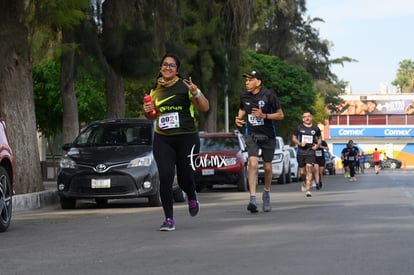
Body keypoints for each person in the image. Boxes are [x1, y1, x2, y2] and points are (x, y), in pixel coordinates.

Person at [143, 53, 209, 231]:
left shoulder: (186, 86)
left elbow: (204, 107)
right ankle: (169, 219)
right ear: (160, 67)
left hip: (187, 138)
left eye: (172, 65)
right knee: (165, 177)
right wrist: (147, 110)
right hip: (163, 139)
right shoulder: (154, 89)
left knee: (184, 178)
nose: (167, 68)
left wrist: (196, 93)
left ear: (177, 70)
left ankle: (192, 194)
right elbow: (152, 115)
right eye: (164, 64)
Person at [235, 70, 284, 213]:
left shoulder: (269, 95)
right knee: (253, 163)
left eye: (250, 80)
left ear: (258, 82)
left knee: (268, 168)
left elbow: (281, 115)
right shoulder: (244, 96)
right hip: (252, 135)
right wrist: (238, 118)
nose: (247, 82)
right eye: (246, 80)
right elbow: (242, 109)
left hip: (268, 136)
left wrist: (264, 115)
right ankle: (252, 198)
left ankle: (266, 193)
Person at [292, 111, 322, 197]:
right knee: (302, 172)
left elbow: (319, 138)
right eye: (305, 117)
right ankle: (305, 182)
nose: (307, 118)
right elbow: (293, 138)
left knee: (309, 169)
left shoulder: (315, 128)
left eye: (308, 116)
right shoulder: (299, 127)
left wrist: (317, 145)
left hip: (310, 152)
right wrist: (299, 143)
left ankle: (308, 190)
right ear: (303, 119)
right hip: (301, 152)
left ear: (311, 117)